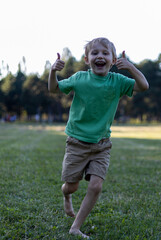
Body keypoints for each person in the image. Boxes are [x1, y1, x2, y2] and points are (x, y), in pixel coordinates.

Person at [48, 37, 149, 238]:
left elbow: (144, 85)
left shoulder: (118, 81)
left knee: (96, 185)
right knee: (72, 186)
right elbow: (53, 89)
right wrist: (53, 71)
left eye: (105, 53)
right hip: (77, 143)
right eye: (95, 53)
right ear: (87, 59)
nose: (100, 56)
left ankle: (75, 227)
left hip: (102, 144)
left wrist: (130, 67)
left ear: (113, 60)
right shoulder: (79, 79)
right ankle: (66, 195)